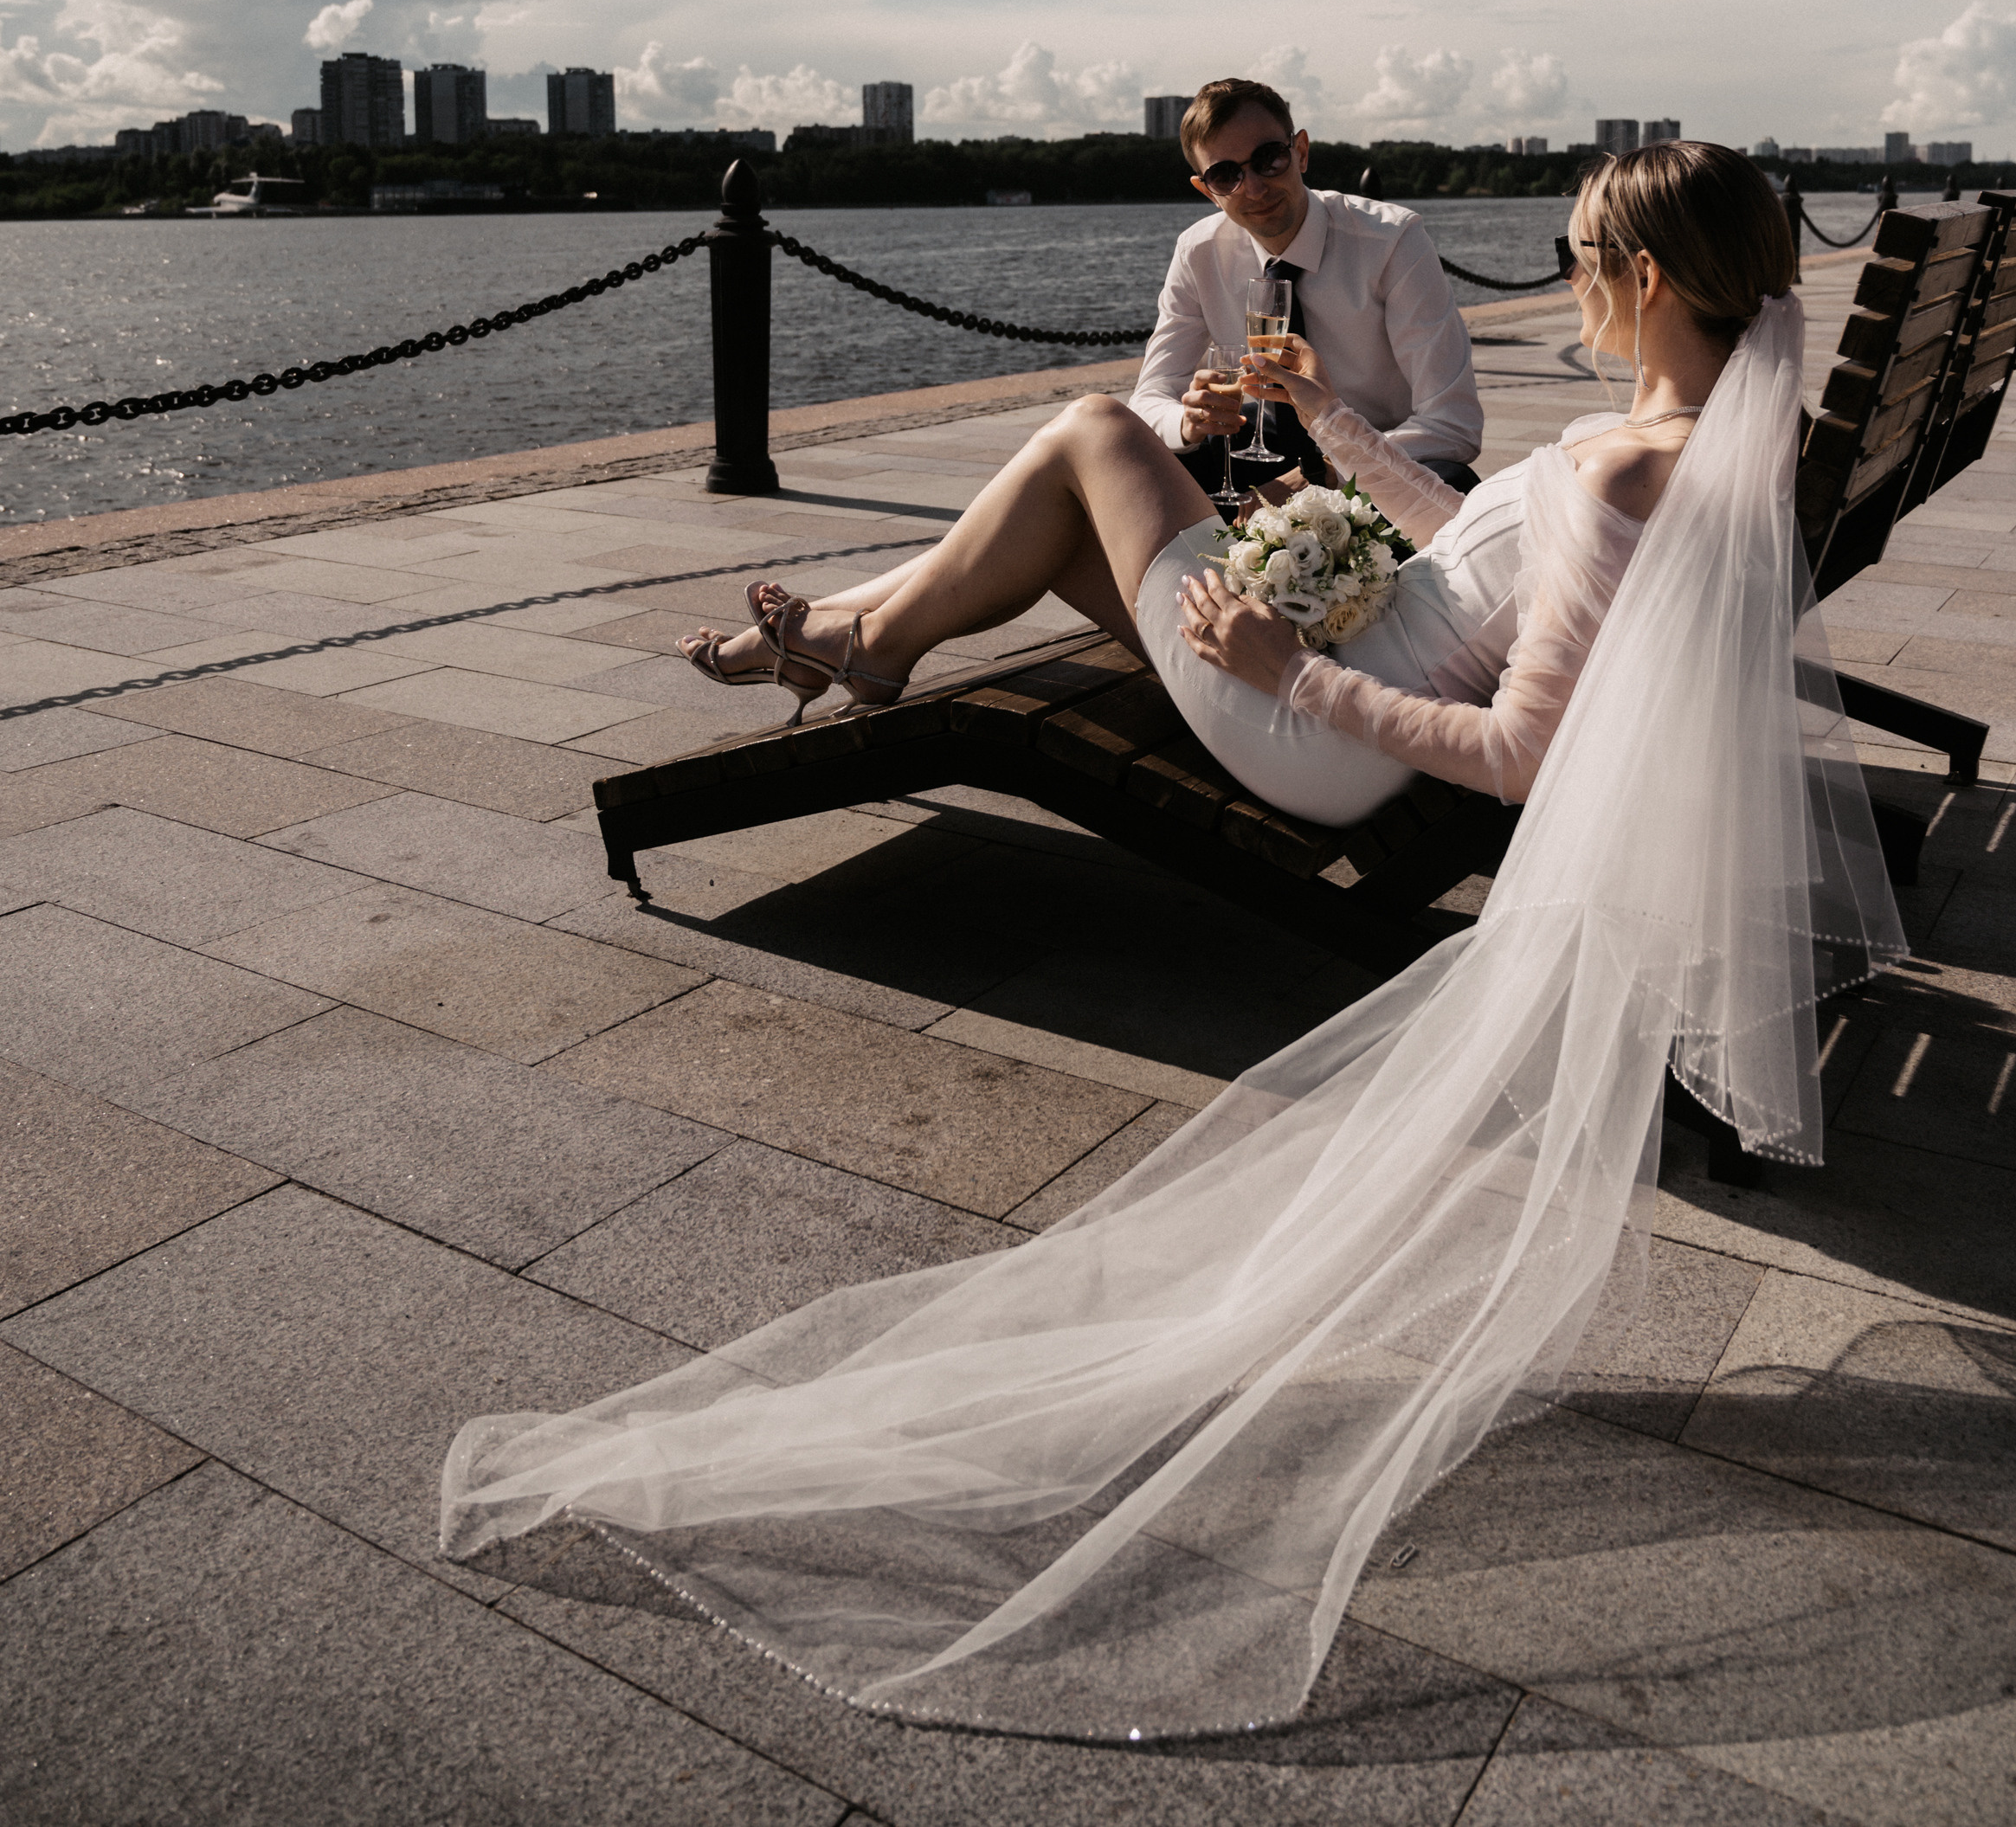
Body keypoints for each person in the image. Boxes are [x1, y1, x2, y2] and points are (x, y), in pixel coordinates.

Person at [446, 144, 1903, 1744]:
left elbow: (1517, 757)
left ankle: (849, 645)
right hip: (1356, 651)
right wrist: (1329, 424)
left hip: (1324, 728)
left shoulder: (1636, 473)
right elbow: (1475, 549)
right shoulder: (1673, 446)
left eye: (1576, 253)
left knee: (1094, 433)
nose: (1565, 276)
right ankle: (861, 641)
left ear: (1641, 277)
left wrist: (1289, 669)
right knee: (1075, 511)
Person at [1130, 77, 1484, 496]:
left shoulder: (1392, 241)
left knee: (1452, 482)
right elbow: (1149, 398)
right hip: (1264, 447)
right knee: (1138, 468)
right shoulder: (1199, 251)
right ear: (1207, 190)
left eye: (1268, 159)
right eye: (1226, 175)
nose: (1254, 188)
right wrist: (1188, 422)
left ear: (1300, 152)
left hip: (1379, 450)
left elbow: (1453, 422)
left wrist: (1324, 470)